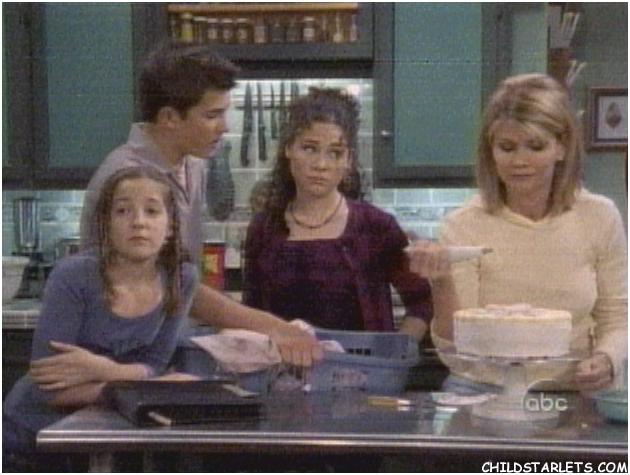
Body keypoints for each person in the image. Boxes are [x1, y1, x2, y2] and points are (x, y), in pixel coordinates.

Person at [79, 42, 322, 367]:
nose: (225, 126)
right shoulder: (125, 178)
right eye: (212, 115)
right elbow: (171, 283)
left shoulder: (193, 164)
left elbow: (184, 276)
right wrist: (273, 328)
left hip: (164, 349)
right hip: (116, 358)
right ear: (169, 118)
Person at [407, 73, 627, 393]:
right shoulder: (463, 225)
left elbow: (617, 316)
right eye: (507, 148)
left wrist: (607, 359)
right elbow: (455, 346)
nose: (520, 161)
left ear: (561, 148)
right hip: (483, 388)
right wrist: (441, 280)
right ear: (490, 152)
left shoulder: (600, 216)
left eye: (535, 146)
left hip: (572, 389)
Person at [3, 167, 199, 471]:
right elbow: (50, 388)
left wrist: (102, 370)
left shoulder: (181, 278)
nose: (138, 222)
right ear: (106, 224)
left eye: (151, 211)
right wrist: (137, 385)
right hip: (31, 438)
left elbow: (156, 362)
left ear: (170, 225)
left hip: (107, 436)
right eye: (123, 211)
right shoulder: (74, 276)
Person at [242, 87, 432, 339]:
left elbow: (421, 303)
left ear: (348, 160)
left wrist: (395, 354)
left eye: (335, 153)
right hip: (280, 363)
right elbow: (252, 316)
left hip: (362, 364)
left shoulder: (376, 226)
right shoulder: (264, 229)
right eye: (309, 148)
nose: (321, 165)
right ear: (288, 149)